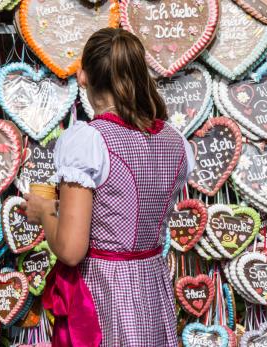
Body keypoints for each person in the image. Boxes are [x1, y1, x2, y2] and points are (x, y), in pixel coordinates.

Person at [23, 28, 195, 346]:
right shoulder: (175, 142)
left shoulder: (89, 141)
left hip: (105, 292)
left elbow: (72, 251)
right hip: (153, 288)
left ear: (83, 75)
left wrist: (45, 211)